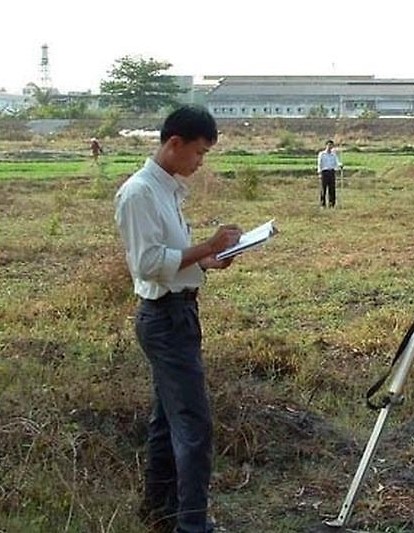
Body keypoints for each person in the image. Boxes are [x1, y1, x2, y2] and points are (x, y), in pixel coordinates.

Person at [114, 105, 243, 533]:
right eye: (199, 153)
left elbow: (171, 259)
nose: (200, 162)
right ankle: (192, 524)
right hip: (164, 319)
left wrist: (207, 261)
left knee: (167, 419)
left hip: (179, 312)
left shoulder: (167, 189)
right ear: (175, 144)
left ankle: (159, 510)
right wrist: (206, 245)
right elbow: (148, 264)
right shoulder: (140, 194)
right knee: (193, 425)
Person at [317, 139, 342, 207]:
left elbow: (337, 162)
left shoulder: (333, 155)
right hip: (324, 172)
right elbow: (319, 164)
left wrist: (340, 165)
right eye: (329, 145)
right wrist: (319, 172)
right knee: (323, 189)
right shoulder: (322, 154)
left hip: (331, 172)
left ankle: (332, 204)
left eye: (331, 145)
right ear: (326, 145)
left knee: (332, 189)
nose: (330, 146)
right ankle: (323, 204)